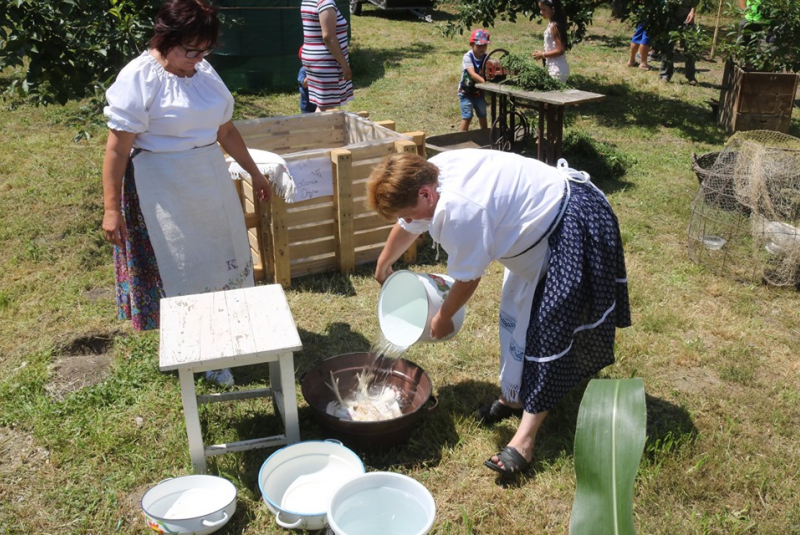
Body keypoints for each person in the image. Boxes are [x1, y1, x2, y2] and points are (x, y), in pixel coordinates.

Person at [367, 149, 631, 477]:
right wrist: (384, 262)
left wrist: (443, 316)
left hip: (568, 228)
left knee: (546, 331)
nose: (409, 220)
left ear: (425, 193)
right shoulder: (431, 173)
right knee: (515, 318)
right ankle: (515, 398)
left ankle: (524, 440)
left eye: (409, 211)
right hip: (531, 229)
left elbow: (466, 280)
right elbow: (411, 220)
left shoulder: (459, 210)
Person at [102, 0, 273, 387]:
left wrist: (254, 173)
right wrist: (112, 209)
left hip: (209, 179)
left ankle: (226, 336)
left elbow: (225, 130)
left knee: (221, 256)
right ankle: (195, 349)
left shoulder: (202, 71)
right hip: (163, 187)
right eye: (190, 51)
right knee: (179, 265)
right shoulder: (138, 79)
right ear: (165, 39)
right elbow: (116, 149)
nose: (197, 59)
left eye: (205, 51)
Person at [300, 0, 353, 111]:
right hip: (327, 62)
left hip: (314, 59)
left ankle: (317, 128)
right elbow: (328, 37)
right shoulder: (325, 3)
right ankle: (316, 129)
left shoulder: (308, 1)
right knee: (326, 108)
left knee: (323, 106)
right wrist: (344, 64)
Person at [458, 29, 490, 132]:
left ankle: (485, 135)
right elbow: (472, 74)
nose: (482, 48)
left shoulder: (486, 58)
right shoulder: (468, 57)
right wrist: (485, 83)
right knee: (467, 116)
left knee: (482, 115)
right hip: (466, 93)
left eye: (484, 45)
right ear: (472, 44)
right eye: (479, 45)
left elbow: (490, 71)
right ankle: (461, 138)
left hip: (479, 93)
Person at [659, 0, 698, 85]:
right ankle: (665, 75)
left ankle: (691, 76)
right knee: (667, 45)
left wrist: (693, 11)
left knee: (690, 46)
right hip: (670, 16)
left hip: (686, 16)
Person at [532, 0, 570, 83]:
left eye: (544, 9)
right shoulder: (554, 24)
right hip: (555, 68)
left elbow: (560, 50)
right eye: (540, 9)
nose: (541, 12)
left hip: (557, 70)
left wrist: (542, 54)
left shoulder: (554, 27)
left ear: (553, 9)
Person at [298, 47, 317, 113]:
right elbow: (304, 84)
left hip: (316, 103)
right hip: (307, 106)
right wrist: (311, 74)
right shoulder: (303, 70)